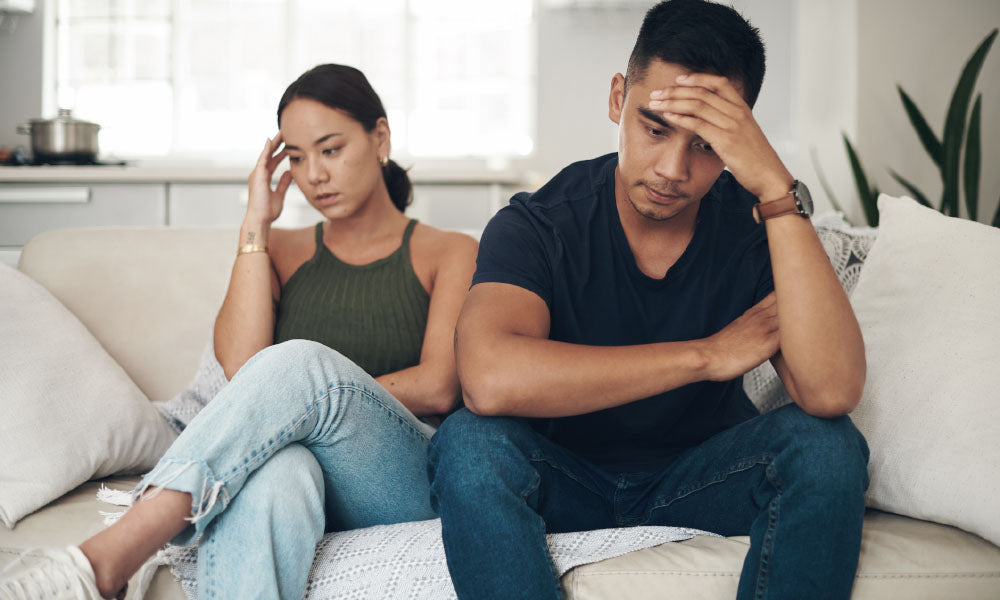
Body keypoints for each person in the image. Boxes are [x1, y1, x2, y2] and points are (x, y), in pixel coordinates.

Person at [427, 1, 870, 598]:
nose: (672, 170)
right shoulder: (540, 222)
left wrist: (774, 185)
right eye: (655, 129)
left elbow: (831, 391)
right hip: (562, 477)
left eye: (707, 145)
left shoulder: (756, 226)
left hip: (704, 477)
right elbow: (488, 379)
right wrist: (705, 356)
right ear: (618, 98)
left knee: (826, 447)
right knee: (468, 445)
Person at [1, 64, 477, 600]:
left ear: (380, 138)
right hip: (297, 464)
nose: (314, 175)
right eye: (296, 157)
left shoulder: (449, 251)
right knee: (279, 470)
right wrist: (257, 222)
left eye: (330, 149)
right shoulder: (281, 249)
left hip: (399, 475)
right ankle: (93, 572)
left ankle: (113, 553)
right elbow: (242, 368)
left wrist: (316, 397)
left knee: (299, 365)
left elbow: (440, 385)